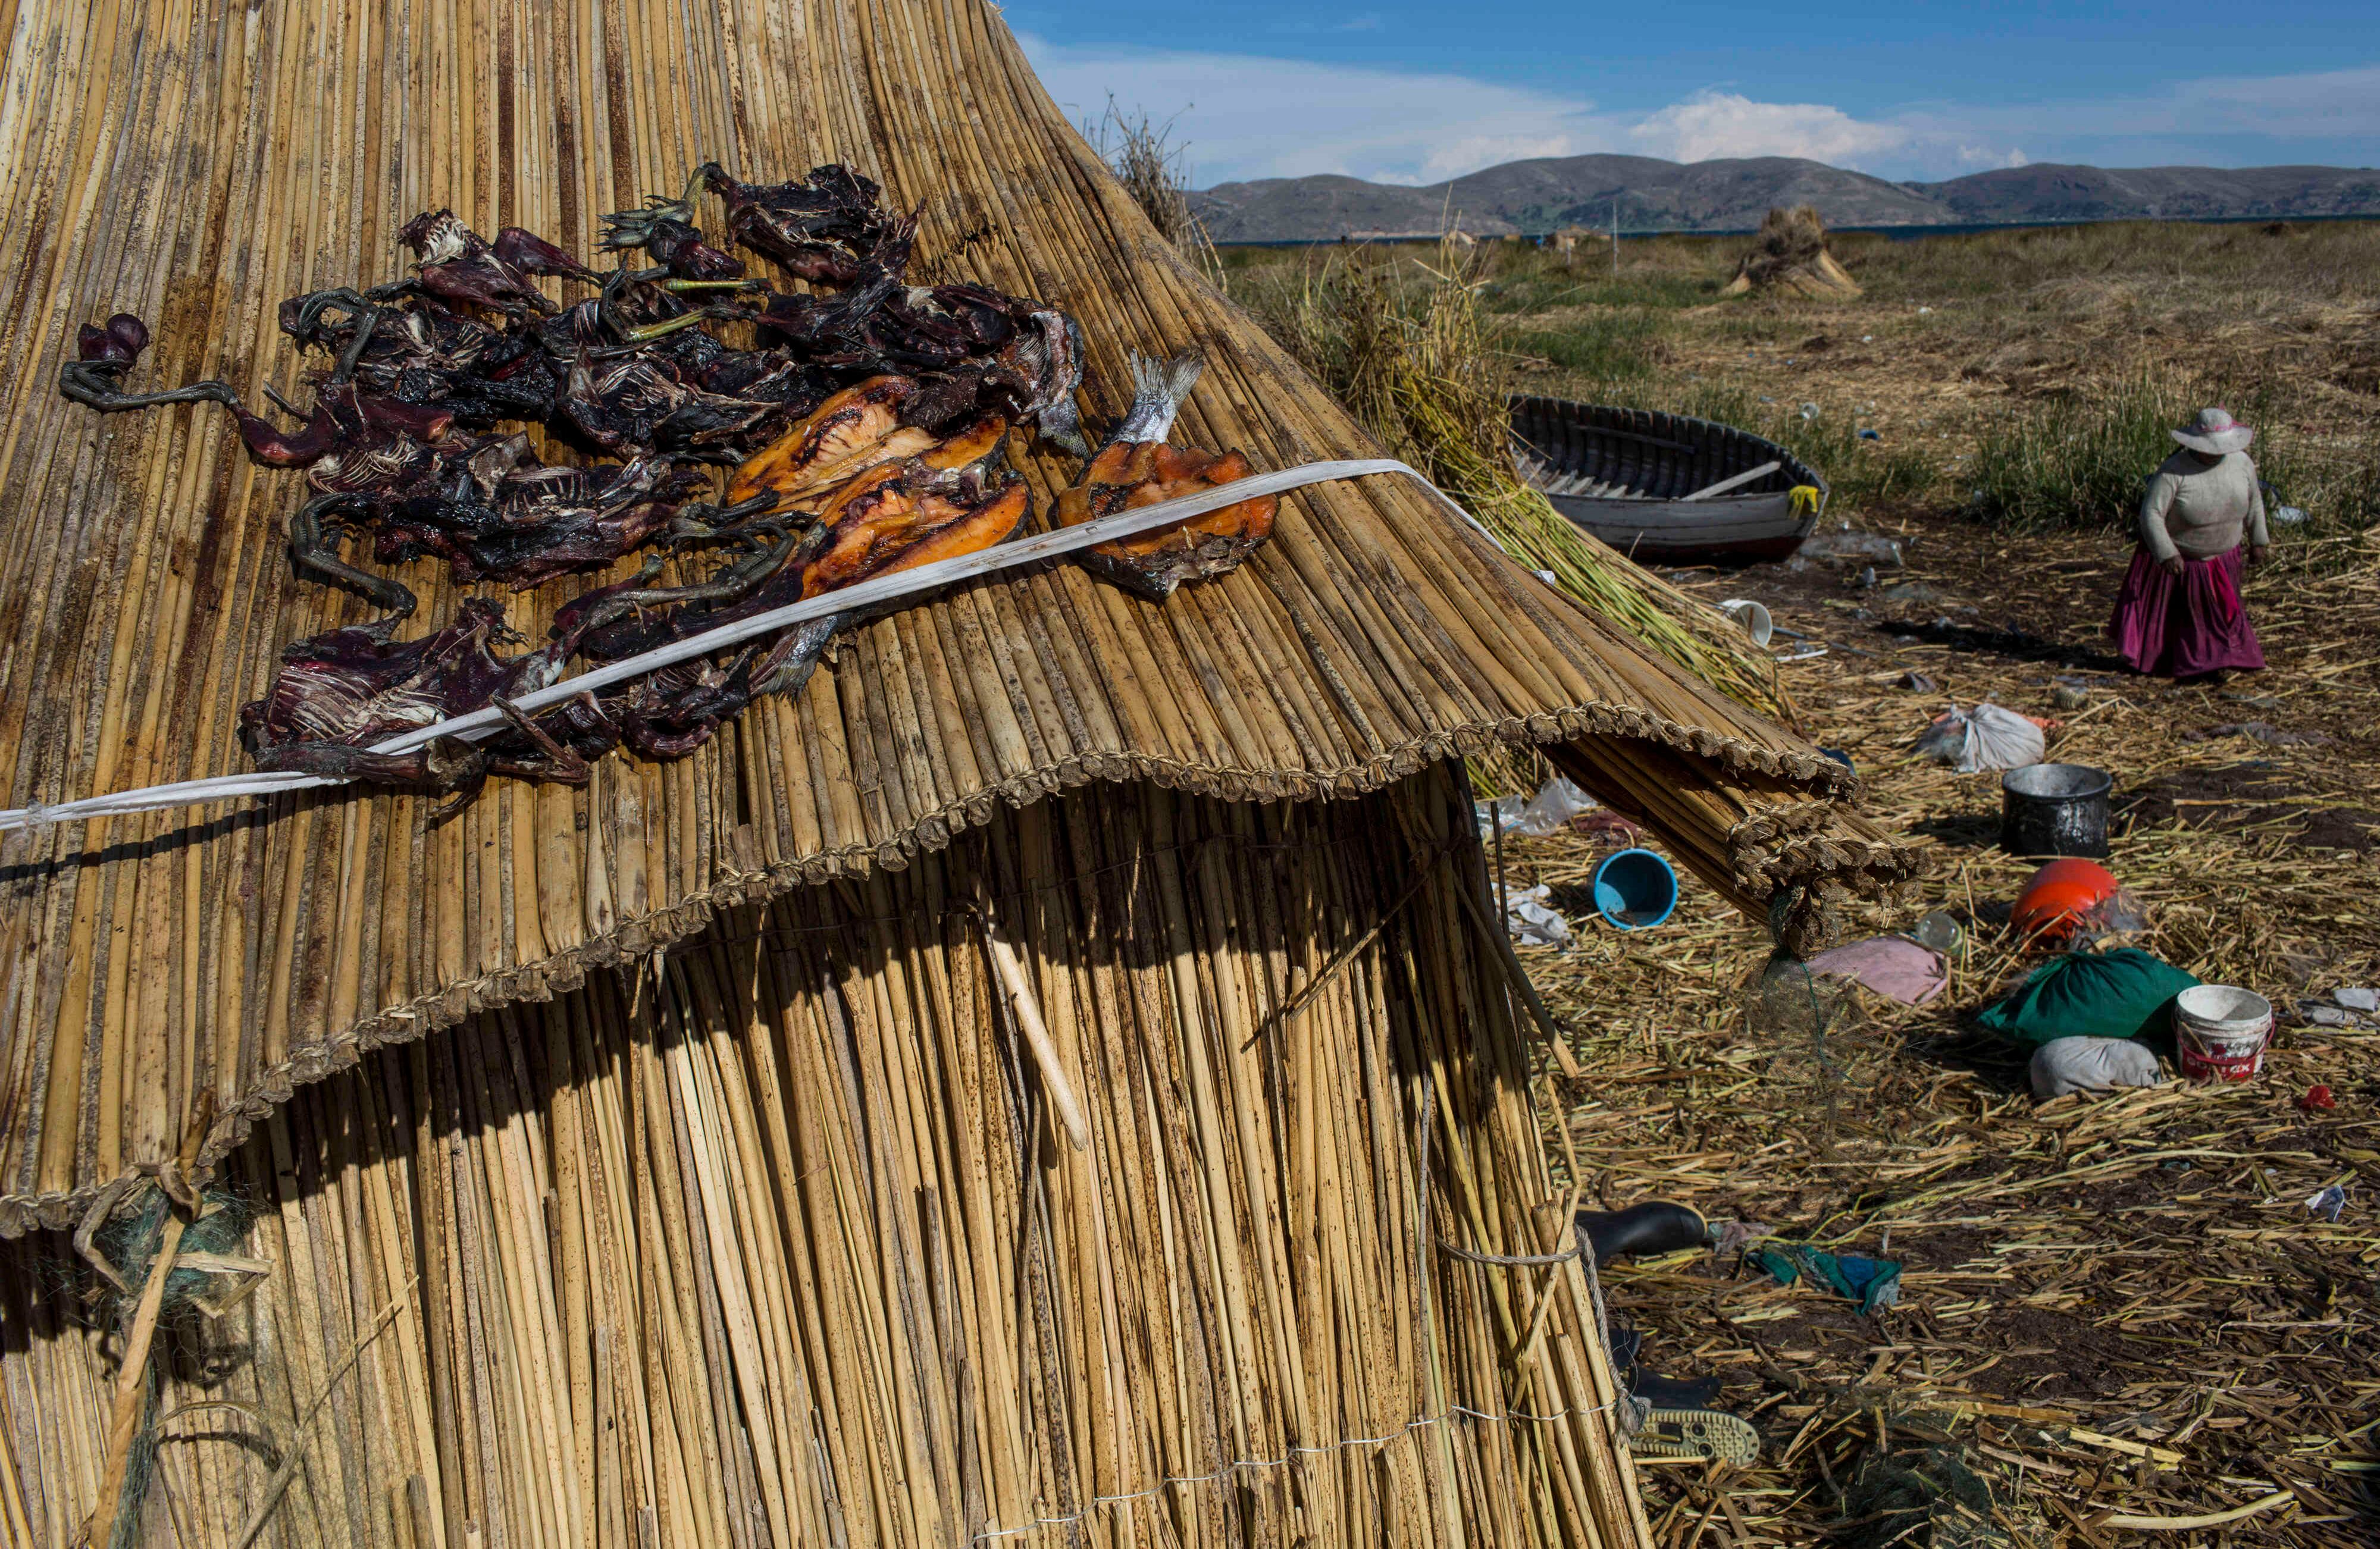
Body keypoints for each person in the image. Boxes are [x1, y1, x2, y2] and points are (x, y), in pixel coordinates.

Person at [2108, 407, 2269, 681]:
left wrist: (2259, 540)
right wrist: (2166, 552)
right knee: (2187, 619)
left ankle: (2218, 661)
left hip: (2223, 558)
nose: (2216, 452)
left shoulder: (2241, 462)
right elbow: (2151, 514)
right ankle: (2190, 665)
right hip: (2183, 562)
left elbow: (2254, 501)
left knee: (2222, 614)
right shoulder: (2173, 472)